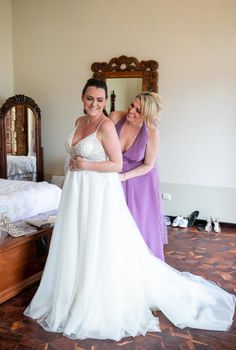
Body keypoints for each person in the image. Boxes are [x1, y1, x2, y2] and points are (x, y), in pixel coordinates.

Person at [24, 78, 235, 342]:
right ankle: (72, 287)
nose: (95, 103)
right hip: (77, 191)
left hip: (111, 184)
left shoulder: (118, 126)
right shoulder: (88, 120)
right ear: (82, 97)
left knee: (106, 238)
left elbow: (122, 164)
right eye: (90, 98)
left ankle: (95, 291)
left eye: (99, 100)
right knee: (77, 237)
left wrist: (94, 169)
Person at [110, 91, 167, 260]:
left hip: (138, 183)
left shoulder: (151, 133)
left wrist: (123, 177)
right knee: (113, 224)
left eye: (138, 111)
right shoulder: (114, 118)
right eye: (131, 105)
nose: (131, 111)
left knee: (136, 227)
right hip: (112, 178)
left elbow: (148, 165)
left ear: (147, 116)